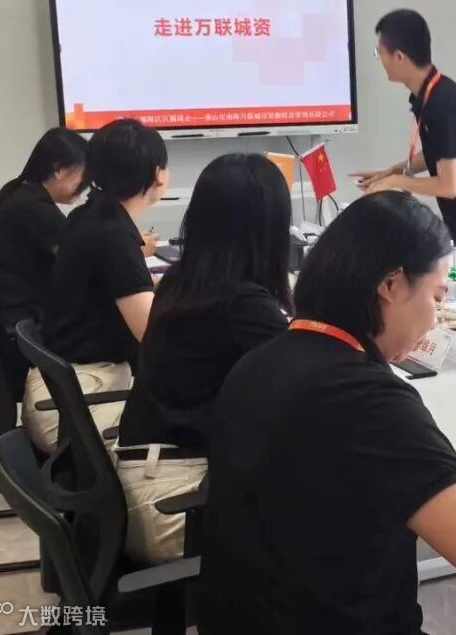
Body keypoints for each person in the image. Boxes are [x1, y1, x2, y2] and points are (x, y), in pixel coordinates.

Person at [200, 191, 456, 634]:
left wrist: (445, 474)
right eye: (436, 297)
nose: (436, 318)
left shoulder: (259, 363)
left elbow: (320, 477)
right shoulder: (369, 399)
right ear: (391, 286)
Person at [113, 153, 292, 563]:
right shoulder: (243, 304)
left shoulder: (183, 279)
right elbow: (314, 375)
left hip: (146, 475)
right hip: (175, 497)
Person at [22, 118, 169, 453]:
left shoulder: (88, 217)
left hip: (60, 392)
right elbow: (155, 336)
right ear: (157, 175)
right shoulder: (113, 236)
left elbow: (114, 286)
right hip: (82, 402)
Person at [352, 9, 456, 255]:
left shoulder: (441, 103)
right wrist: (391, 172)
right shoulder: (429, 94)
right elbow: (440, 152)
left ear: (399, 57)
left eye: (380, 53)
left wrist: (394, 182)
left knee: (425, 259)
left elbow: (448, 186)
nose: (380, 60)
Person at [0, 128, 88, 331]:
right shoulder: (34, 207)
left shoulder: (17, 190)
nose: (83, 184)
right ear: (58, 169)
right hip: (22, 324)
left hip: (1, 318)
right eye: (83, 175)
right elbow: (81, 258)